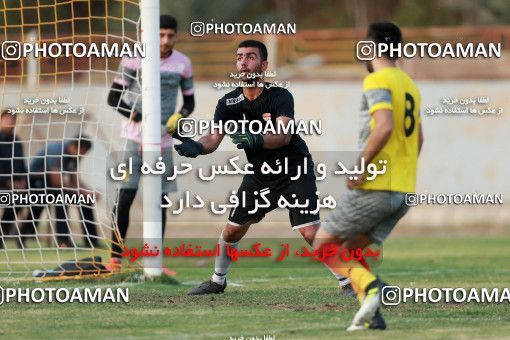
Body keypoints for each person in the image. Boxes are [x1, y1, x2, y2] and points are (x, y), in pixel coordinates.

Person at [173, 39, 356, 298]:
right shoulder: (228, 103)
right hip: (261, 174)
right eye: (239, 57)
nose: (244, 62)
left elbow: (282, 136)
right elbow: (213, 138)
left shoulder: (280, 96)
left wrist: (255, 138)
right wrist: (198, 147)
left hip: (294, 169)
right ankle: (217, 281)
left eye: (250, 57)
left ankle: (348, 281)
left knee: (309, 231)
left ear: (264, 64)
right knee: (233, 229)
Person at [312, 22, 423, 331]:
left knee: (323, 246)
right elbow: (420, 140)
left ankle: (374, 288)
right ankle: (374, 314)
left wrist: (361, 165)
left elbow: (384, 126)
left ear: (369, 48)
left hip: (376, 186)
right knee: (350, 251)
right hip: (403, 191)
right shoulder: (409, 85)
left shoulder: (377, 79)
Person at [106, 14, 195, 270]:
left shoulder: (183, 63)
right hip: (133, 141)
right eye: (160, 35)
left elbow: (189, 102)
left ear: (176, 36)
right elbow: (113, 98)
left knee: (160, 202)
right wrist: (140, 118)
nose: (165, 40)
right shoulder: (134, 58)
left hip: (164, 143)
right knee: (125, 197)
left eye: (170, 35)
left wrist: (180, 116)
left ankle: (155, 260)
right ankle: (115, 258)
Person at [20, 136, 98, 248]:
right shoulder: (56, 150)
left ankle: (91, 241)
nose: (83, 155)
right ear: (76, 147)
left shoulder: (75, 156)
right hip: (35, 183)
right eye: (83, 152)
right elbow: (57, 181)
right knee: (61, 197)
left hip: (53, 187)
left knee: (85, 200)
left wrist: (89, 193)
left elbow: (74, 180)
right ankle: (63, 240)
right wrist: (82, 192)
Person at [0, 110, 27, 248]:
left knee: (36, 196)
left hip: (16, 186)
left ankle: (22, 235)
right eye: (7, 119)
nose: (10, 122)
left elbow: (22, 164)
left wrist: (23, 182)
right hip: (3, 184)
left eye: (12, 119)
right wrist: (8, 182)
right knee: (10, 197)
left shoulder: (18, 142)